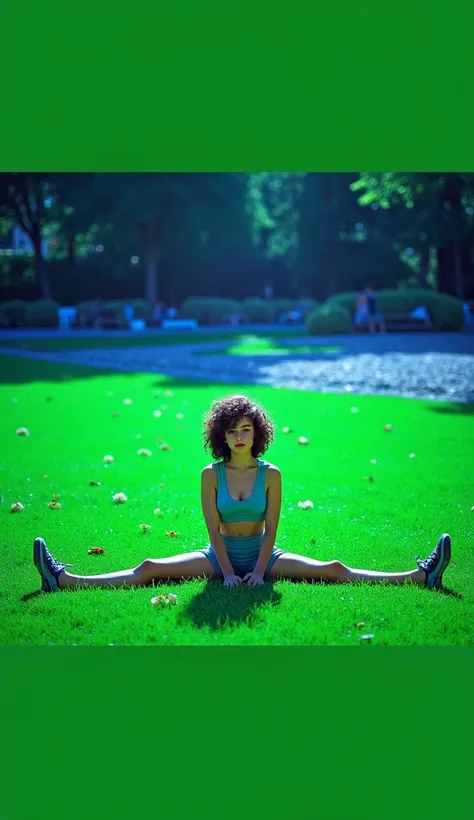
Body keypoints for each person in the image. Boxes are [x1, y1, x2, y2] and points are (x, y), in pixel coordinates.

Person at [33, 394, 451, 594]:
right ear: (222, 434)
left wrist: (260, 568)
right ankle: (66, 580)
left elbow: (271, 527)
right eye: (231, 430)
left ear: (257, 432)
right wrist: (229, 571)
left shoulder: (272, 474)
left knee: (336, 568)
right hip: (220, 553)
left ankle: (419, 577)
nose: (239, 436)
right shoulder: (208, 474)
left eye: (245, 429)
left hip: (266, 554)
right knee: (148, 566)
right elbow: (212, 529)